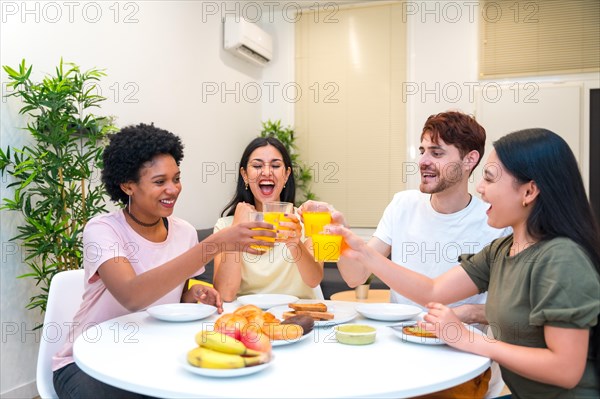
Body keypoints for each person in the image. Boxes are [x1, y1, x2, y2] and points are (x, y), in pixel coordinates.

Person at [331, 128, 600, 398]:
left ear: (529, 191)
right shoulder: (502, 250)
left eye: (490, 179)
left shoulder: (562, 259)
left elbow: (566, 370)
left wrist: (469, 338)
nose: (481, 189)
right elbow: (433, 291)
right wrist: (361, 251)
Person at [52, 123, 275, 398]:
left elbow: (171, 293)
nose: (173, 189)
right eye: (160, 182)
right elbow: (133, 295)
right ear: (127, 186)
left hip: (148, 356)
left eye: (176, 178)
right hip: (86, 363)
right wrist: (218, 243)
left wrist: (192, 294)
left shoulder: (184, 232)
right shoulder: (102, 230)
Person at [302, 111, 509, 323]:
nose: (423, 161)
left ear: (469, 160)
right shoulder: (403, 204)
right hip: (399, 336)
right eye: (422, 151)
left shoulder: (496, 221)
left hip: (459, 347)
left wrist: (468, 313)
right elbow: (355, 276)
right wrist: (342, 235)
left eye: (436, 153)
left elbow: (512, 309)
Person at [213, 137, 323, 301]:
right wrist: (237, 228)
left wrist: (294, 243)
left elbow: (314, 280)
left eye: (276, 166)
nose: (266, 172)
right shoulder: (224, 226)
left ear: (286, 175)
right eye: (257, 166)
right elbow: (225, 294)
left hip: (296, 316)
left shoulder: (308, 219)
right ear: (244, 175)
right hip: (248, 317)